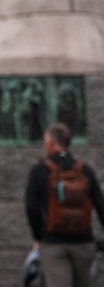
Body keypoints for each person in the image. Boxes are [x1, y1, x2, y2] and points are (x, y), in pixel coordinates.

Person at [25, 122, 104, 287]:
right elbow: (100, 205)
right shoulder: (85, 170)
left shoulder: (40, 170)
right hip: (83, 242)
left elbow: (31, 206)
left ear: (51, 142)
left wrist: (39, 236)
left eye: (45, 141)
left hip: (54, 243)